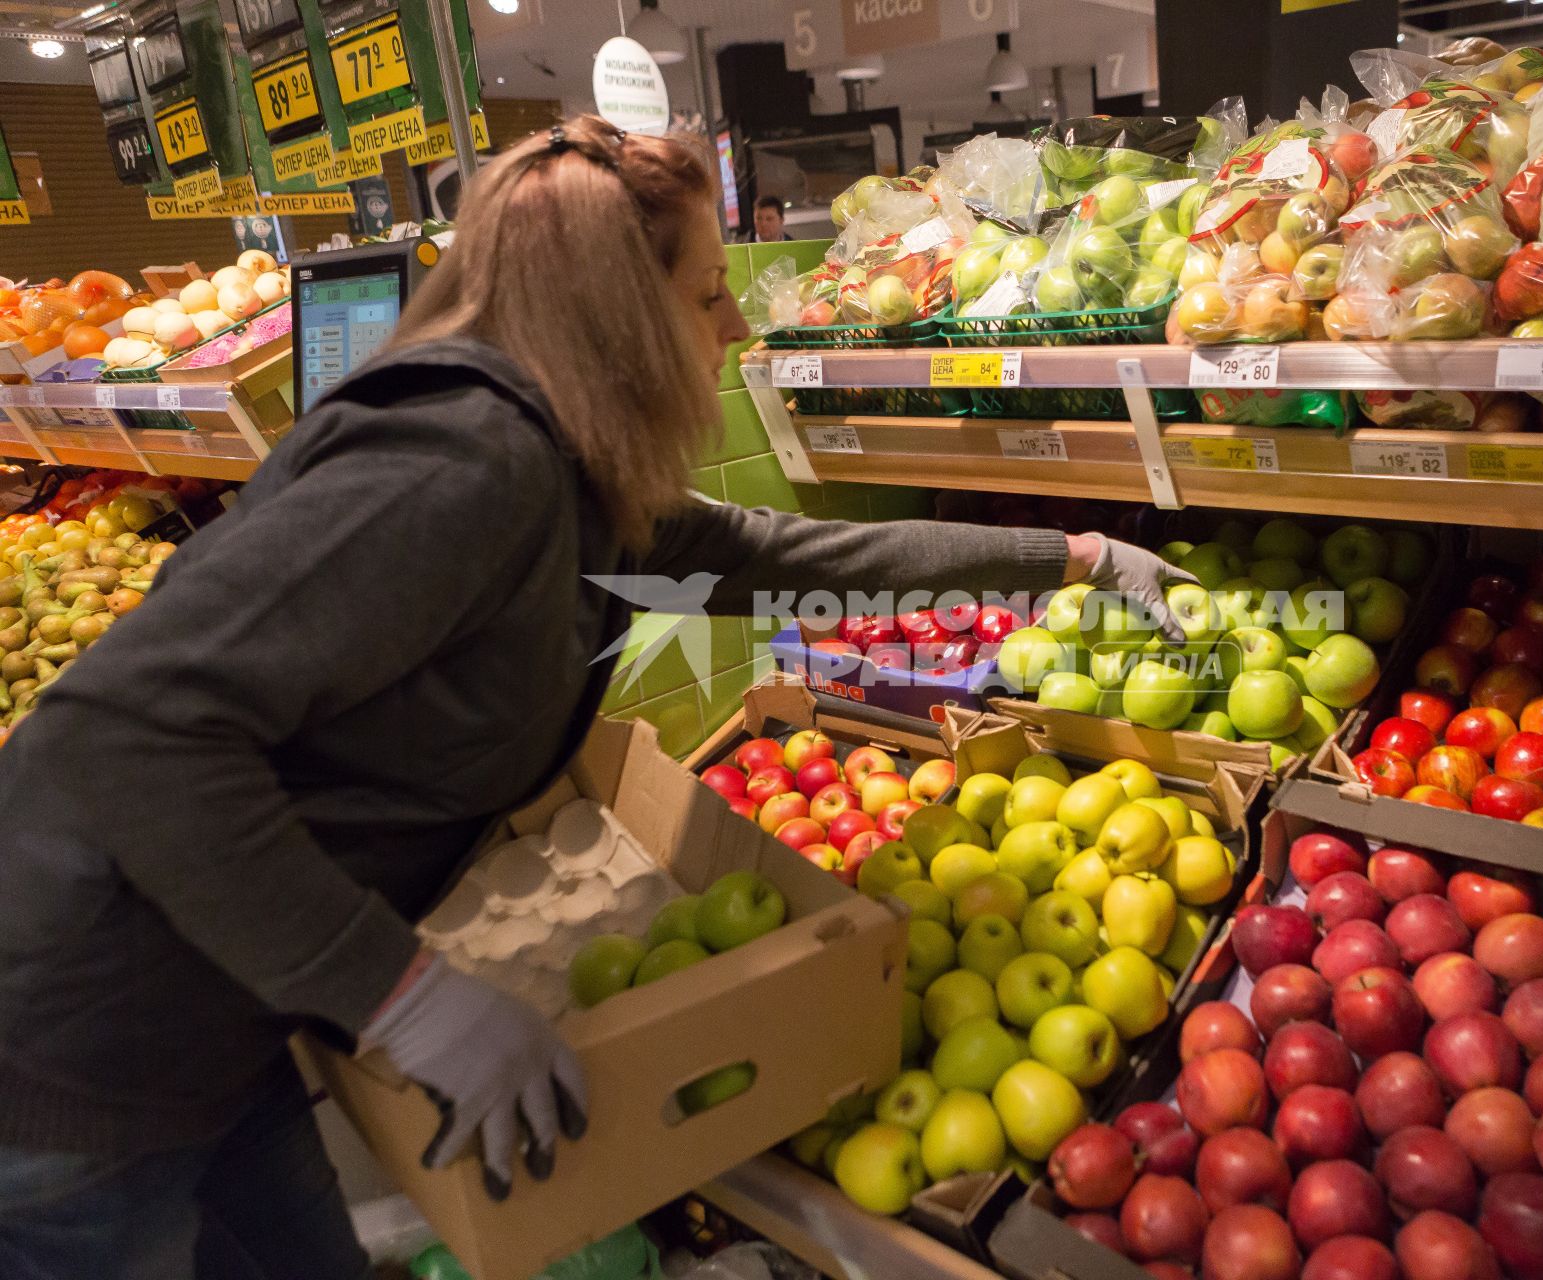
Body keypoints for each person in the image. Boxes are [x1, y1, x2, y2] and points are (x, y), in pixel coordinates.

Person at [0, 117, 1189, 1280]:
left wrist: (1073, 555)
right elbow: (127, 733)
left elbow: (780, 555)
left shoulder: (566, 463)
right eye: (707, 291)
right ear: (622, 313)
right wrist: (405, 999)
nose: (731, 322)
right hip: (76, 1046)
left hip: (225, 1004)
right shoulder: (464, 461)